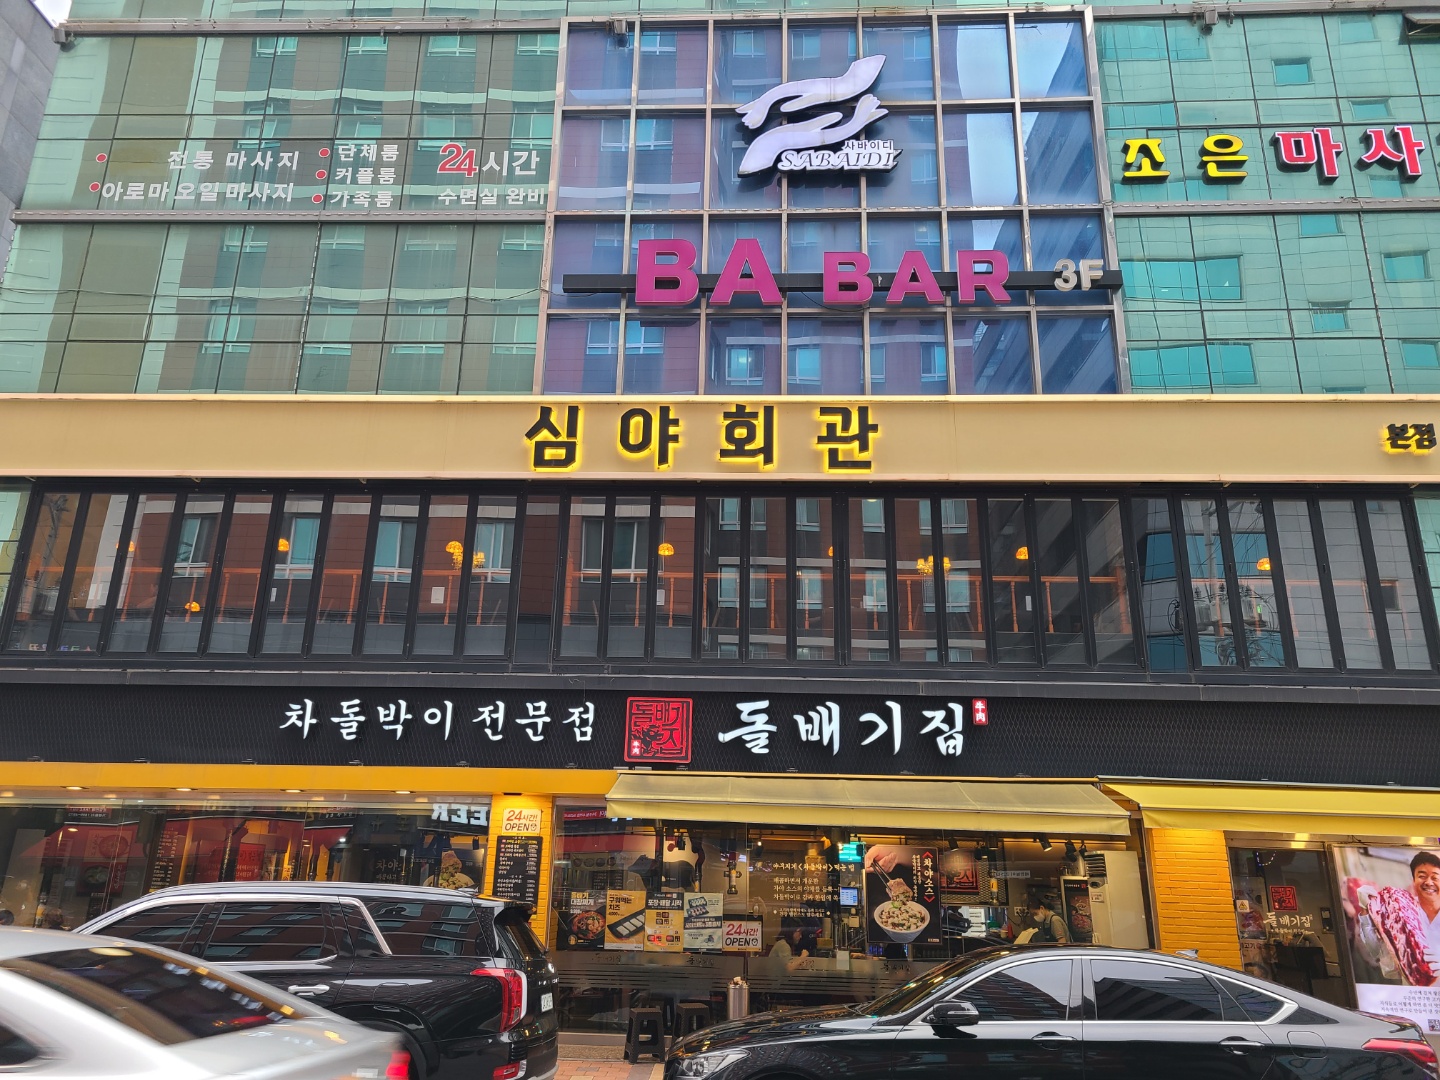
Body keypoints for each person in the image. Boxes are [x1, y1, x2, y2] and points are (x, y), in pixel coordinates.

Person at [1352, 851, 1440, 983]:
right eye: (1422, 876)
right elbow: (1375, 950)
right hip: (1414, 991)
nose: (1428, 882)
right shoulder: (1404, 911)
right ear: (1414, 880)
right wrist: (1365, 910)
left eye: (1435, 877)